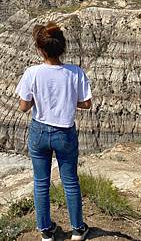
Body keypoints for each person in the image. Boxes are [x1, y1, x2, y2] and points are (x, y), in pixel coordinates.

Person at [17, 21, 93, 241]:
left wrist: (38, 99)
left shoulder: (32, 73)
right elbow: (86, 103)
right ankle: (78, 230)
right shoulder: (75, 72)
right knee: (70, 181)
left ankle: (46, 232)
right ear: (62, 48)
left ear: (40, 50)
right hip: (65, 132)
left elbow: (23, 107)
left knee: (41, 182)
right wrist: (68, 101)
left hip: (39, 131)